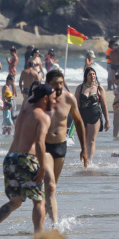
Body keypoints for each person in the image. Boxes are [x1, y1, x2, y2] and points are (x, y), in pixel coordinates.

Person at [0, 84, 55, 239]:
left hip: (10, 159)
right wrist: (42, 167)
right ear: (45, 98)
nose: (55, 103)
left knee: (15, 202)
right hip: (27, 160)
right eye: (53, 99)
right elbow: (40, 143)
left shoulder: (23, 112)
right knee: (39, 201)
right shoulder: (43, 116)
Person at [43, 69, 87, 225]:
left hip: (61, 146)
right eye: (55, 84)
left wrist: (84, 149)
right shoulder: (40, 100)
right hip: (44, 147)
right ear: (47, 84)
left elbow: (79, 122)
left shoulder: (69, 99)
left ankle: (42, 218)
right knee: (50, 186)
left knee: (52, 187)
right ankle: (55, 224)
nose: (59, 87)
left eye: (61, 83)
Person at [75, 67, 109, 161]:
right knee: (84, 140)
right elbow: (75, 104)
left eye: (94, 74)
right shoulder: (80, 88)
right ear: (86, 76)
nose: (92, 76)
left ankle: (89, 161)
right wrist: (75, 118)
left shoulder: (99, 88)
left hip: (95, 115)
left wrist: (107, 121)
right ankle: (84, 160)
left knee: (91, 140)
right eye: (90, 74)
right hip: (82, 115)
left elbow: (104, 105)